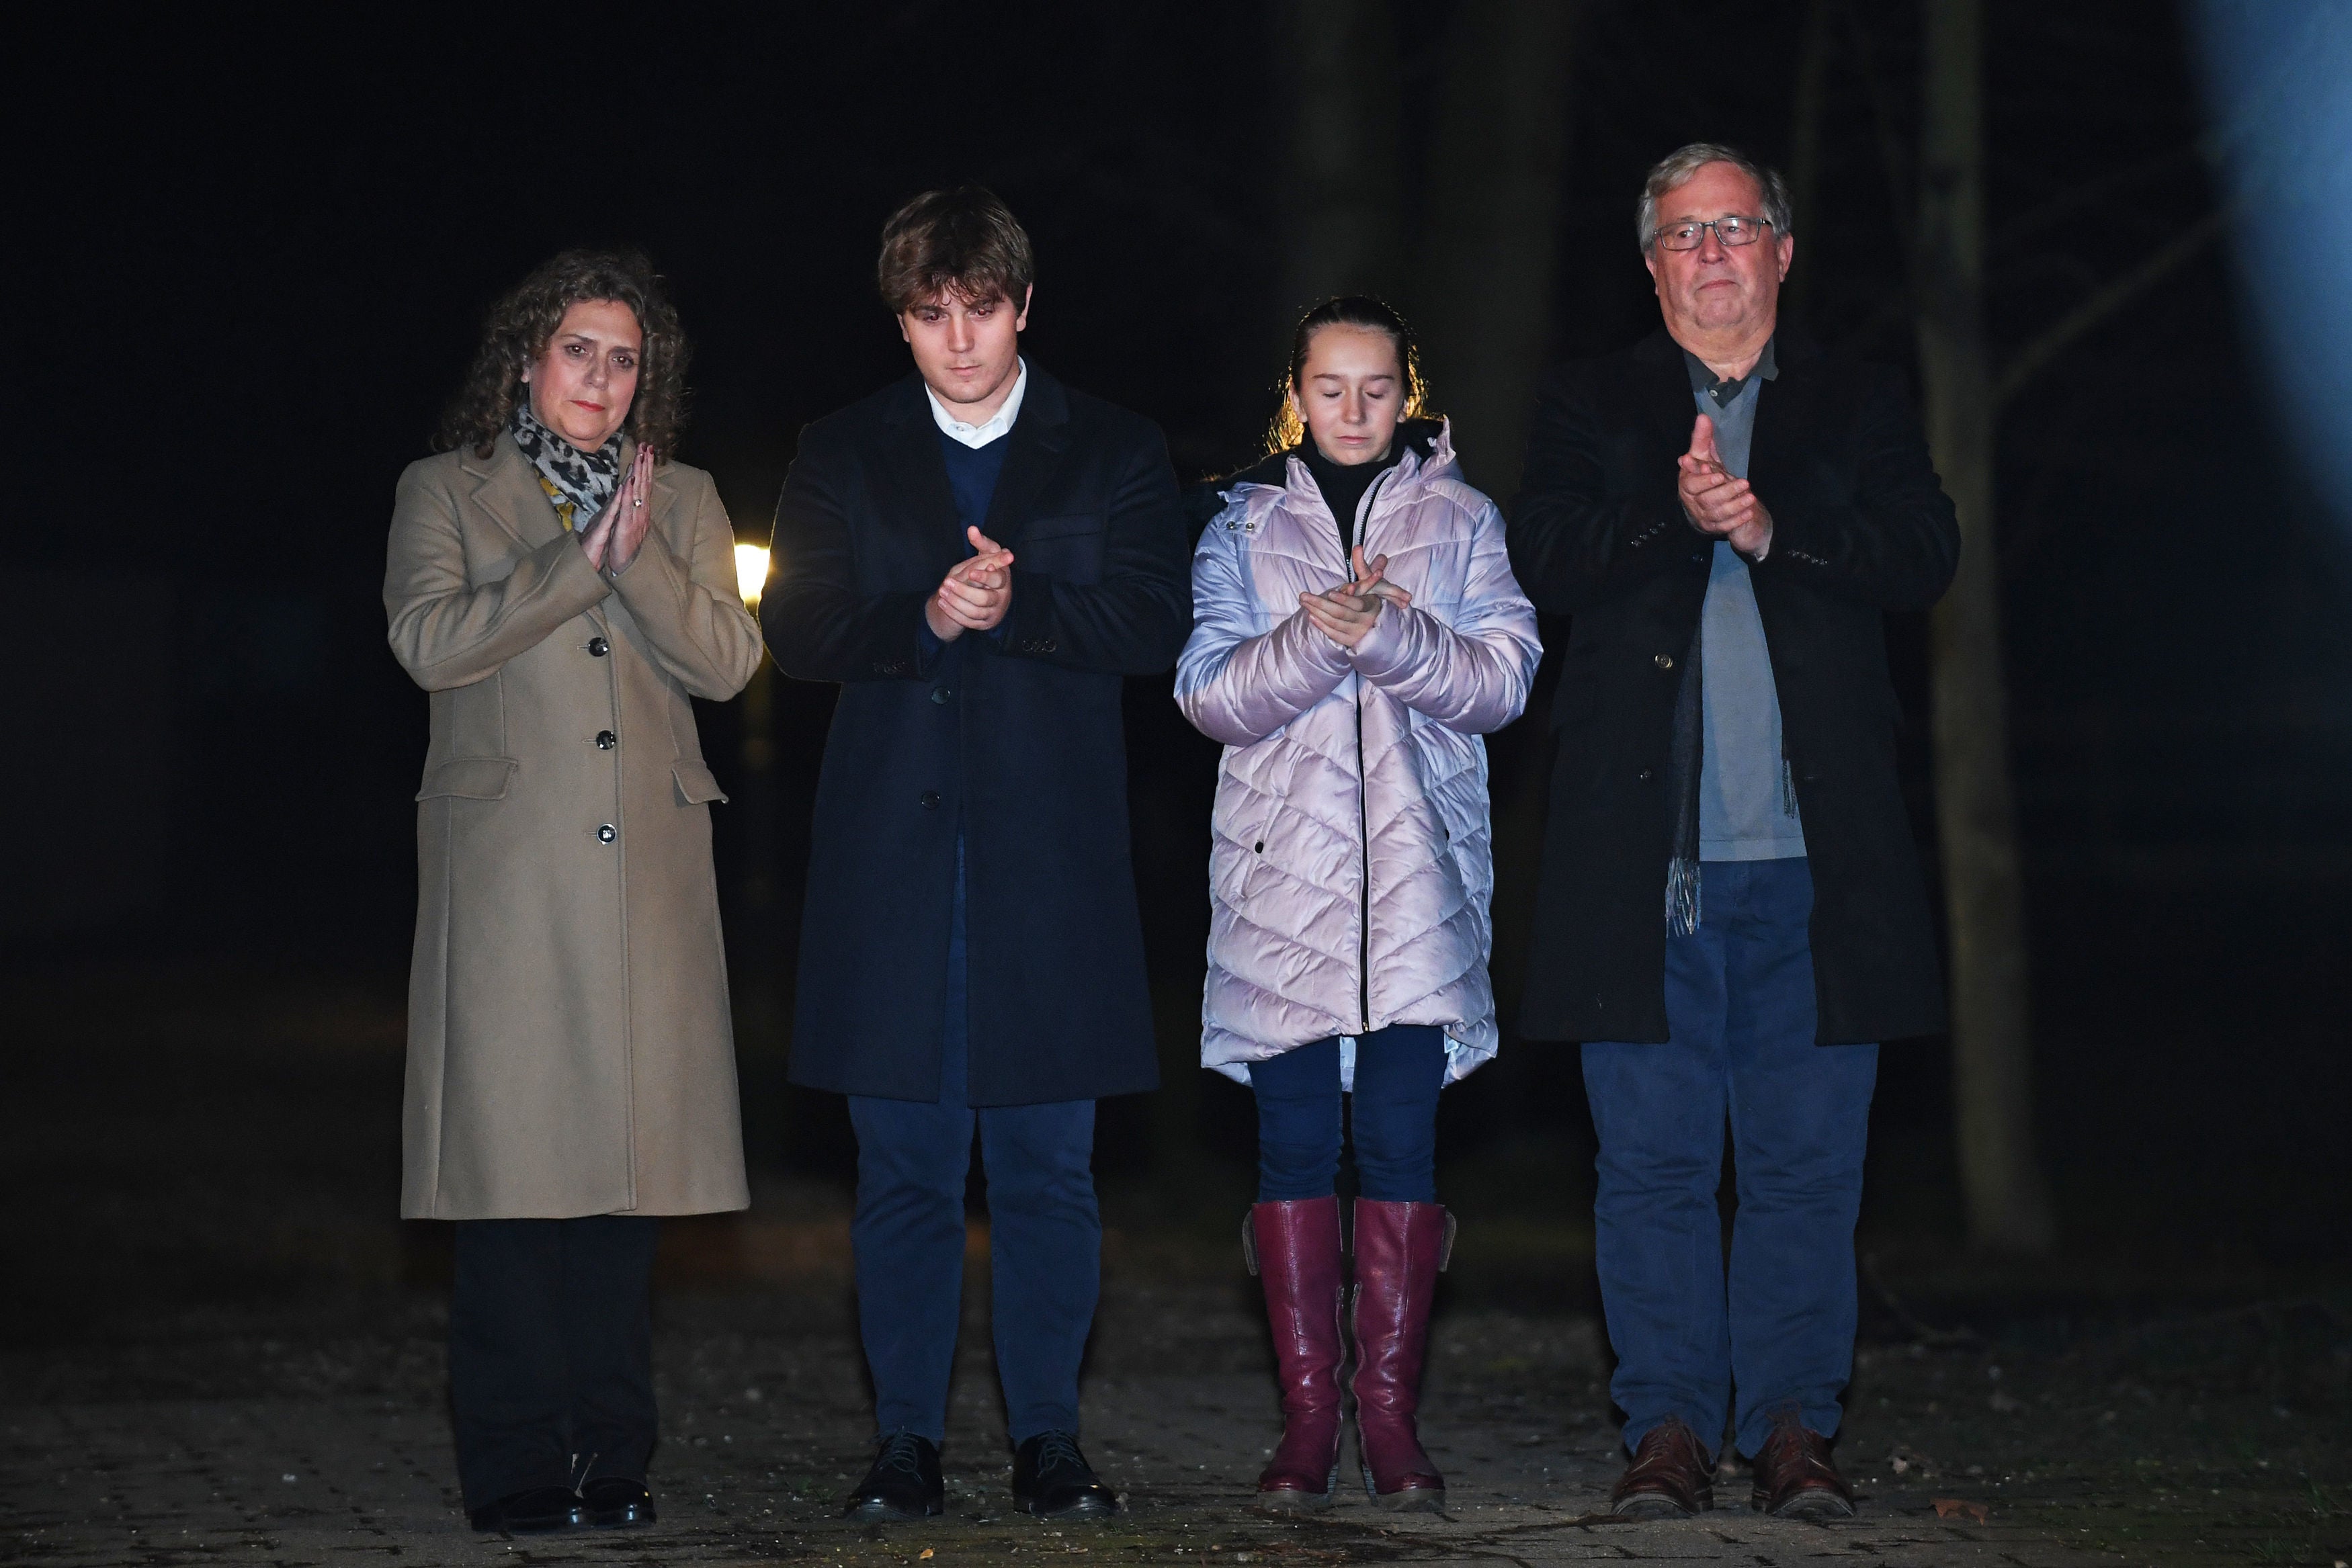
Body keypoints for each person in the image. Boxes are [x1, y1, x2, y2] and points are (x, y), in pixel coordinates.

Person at [1508, 144, 1960, 1519]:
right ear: (1649, 265)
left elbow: (1923, 553)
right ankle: (1665, 1430)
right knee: (1646, 1167)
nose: (1710, 253)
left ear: (1781, 251)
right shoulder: (1589, 402)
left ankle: (1789, 1427)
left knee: (1804, 1168)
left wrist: (1771, 529)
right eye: (1683, 234)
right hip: (1638, 868)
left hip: (1821, 872)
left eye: (1736, 227)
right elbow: (1546, 557)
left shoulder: (1858, 400)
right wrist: (1676, 512)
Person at [761, 187, 1191, 1523]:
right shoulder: (840, 451)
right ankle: (905, 1446)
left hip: (1051, 867)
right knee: (903, 1170)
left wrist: (1027, 603)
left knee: (1048, 1173)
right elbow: (800, 628)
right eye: (931, 315)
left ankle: (1049, 1442)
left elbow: (1155, 620)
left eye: (982, 310)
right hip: (892, 868)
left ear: (1023, 306)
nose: (959, 338)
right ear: (900, 320)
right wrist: (925, 618)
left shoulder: (1113, 448)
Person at [384, 250, 764, 1534]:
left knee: (622, 1194)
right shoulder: (444, 490)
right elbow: (427, 640)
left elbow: (726, 662)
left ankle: (616, 1457)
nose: (601, 376)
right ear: (528, 362)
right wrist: (571, 561)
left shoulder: (693, 497)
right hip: (509, 888)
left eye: (624, 356)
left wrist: (637, 553)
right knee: (510, 1193)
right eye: (578, 350)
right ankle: (514, 1466)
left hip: (646, 888)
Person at [1176, 298, 1540, 1512]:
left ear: (1409, 388)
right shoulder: (1239, 524)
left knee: (1398, 1148)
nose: (1352, 409)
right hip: (1283, 901)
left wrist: (1389, 629)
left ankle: (1388, 1421)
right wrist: (1317, 637)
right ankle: (1306, 1423)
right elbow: (1210, 695)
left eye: (1375, 387)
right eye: (1330, 387)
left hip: (1419, 898)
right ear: (1295, 391)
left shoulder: (1466, 518)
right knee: (1291, 1153)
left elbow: (1503, 682)